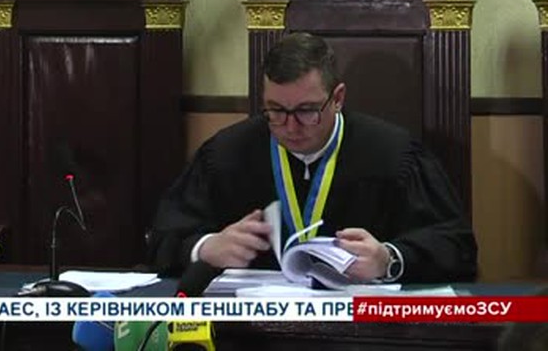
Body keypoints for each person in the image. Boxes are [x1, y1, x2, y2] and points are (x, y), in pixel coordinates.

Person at [147, 32, 478, 284]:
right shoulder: (226, 154)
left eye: (306, 111)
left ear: (338, 98)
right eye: (276, 110)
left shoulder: (393, 155)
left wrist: (389, 259)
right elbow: (160, 239)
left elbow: (457, 246)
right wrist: (205, 248)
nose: (290, 127)